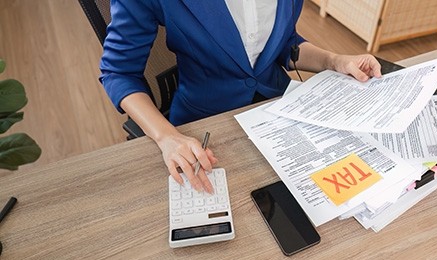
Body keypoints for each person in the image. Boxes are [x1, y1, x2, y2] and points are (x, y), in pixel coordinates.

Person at [100, 0, 382, 193]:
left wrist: (335, 61)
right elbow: (118, 72)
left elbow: (285, 43)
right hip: (207, 127)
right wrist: (166, 137)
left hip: (279, 111)